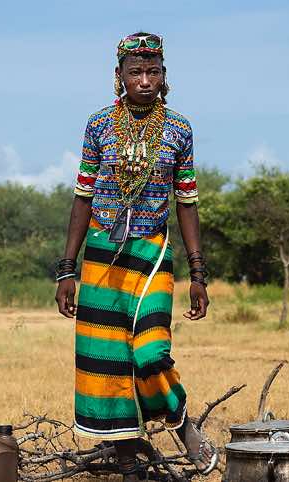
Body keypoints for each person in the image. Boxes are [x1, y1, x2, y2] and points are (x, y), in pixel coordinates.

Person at [54, 32, 217, 479]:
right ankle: (128, 461)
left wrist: (198, 273)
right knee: (108, 361)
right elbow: (82, 197)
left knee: (149, 352)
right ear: (119, 77)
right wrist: (66, 270)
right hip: (103, 253)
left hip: (150, 252)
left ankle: (180, 423)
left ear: (165, 77)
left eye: (153, 72)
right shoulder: (99, 125)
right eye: (135, 72)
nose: (144, 80)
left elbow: (187, 202)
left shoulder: (179, 129)